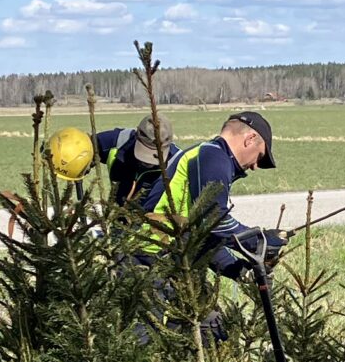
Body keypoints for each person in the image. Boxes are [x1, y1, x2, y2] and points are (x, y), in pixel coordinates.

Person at [135, 110, 285, 281]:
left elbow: (203, 235)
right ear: (250, 139)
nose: (255, 166)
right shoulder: (214, 157)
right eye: (259, 156)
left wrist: (241, 271)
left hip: (164, 257)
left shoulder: (209, 155)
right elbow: (214, 221)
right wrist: (260, 241)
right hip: (149, 258)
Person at [89, 117, 169, 209]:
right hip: (118, 215)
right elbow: (84, 145)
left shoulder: (176, 161)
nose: (147, 162)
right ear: (136, 137)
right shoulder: (120, 140)